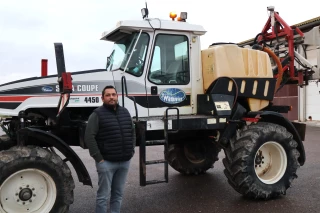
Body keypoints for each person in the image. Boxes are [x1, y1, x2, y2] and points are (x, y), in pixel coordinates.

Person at [84, 85, 136, 213]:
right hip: (106, 163)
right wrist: (98, 158)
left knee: (118, 194)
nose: (111, 97)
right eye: (108, 95)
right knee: (103, 196)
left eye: (113, 94)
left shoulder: (125, 112)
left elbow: (132, 131)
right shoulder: (97, 115)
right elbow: (89, 137)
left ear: (117, 96)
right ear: (102, 98)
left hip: (124, 161)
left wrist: (131, 150)